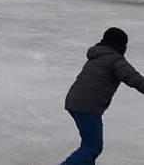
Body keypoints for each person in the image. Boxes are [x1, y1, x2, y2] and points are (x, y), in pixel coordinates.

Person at [61, 28, 144, 164]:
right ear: (120, 45)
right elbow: (135, 79)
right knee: (92, 147)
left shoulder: (98, 55)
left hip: (76, 101)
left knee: (90, 146)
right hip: (87, 106)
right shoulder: (115, 60)